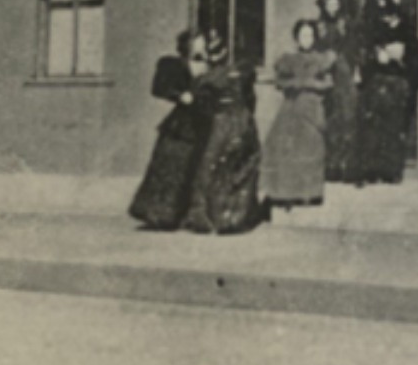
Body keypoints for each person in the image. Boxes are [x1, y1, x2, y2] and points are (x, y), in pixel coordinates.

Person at [128, 29, 214, 230]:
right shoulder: (173, 64)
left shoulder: (208, 66)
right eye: (197, 42)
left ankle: (184, 215)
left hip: (201, 121)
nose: (201, 46)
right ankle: (157, 214)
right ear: (187, 45)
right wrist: (179, 95)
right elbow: (158, 88)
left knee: (192, 170)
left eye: (203, 43)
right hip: (181, 124)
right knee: (168, 167)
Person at [182, 30, 264, 235]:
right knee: (233, 166)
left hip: (225, 122)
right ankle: (231, 216)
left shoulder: (209, 78)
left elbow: (201, 107)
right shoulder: (238, 73)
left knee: (216, 165)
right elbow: (250, 100)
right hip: (238, 120)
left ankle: (221, 217)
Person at [261, 19, 334, 207]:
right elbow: (279, 82)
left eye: (310, 35)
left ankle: (310, 193)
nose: (306, 39)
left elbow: (328, 83)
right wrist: (294, 83)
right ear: (296, 38)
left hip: (312, 108)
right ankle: (287, 194)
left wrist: (310, 84)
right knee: (287, 148)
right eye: (303, 35)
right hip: (291, 108)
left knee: (312, 148)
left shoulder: (321, 59)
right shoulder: (289, 60)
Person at [355, 0, 418, 186]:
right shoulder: (372, 28)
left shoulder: (407, 30)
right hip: (376, 81)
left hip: (397, 80)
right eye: (384, 14)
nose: (388, 18)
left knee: (393, 126)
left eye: (391, 13)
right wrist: (374, 57)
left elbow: (414, 54)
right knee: (373, 127)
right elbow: (366, 51)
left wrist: (401, 56)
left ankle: (392, 170)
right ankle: (372, 170)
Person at [315, 0, 359, 184]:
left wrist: (354, 68)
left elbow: (354, 46)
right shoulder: (318, 26)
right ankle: (329, 165)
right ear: (323, 6)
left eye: (336, 2)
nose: (333, 6)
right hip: (325, 73)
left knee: (347, 115)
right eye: (329, 3)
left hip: (344, 73)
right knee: (328, 118)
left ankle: (345, 164)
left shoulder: (345, 24)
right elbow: (315, 49)